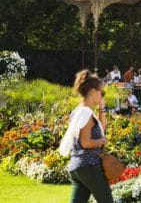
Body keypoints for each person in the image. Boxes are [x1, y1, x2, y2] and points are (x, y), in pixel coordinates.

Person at [59, 69, 113, 203]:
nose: (103, 96)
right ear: (93, 91)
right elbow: (86, 142)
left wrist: (102, 108)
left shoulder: (79, 111)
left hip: (77, 167)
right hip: (89, 165)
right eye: (102, 92)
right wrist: (102, 140)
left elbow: (101, 128)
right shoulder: (86, 114)